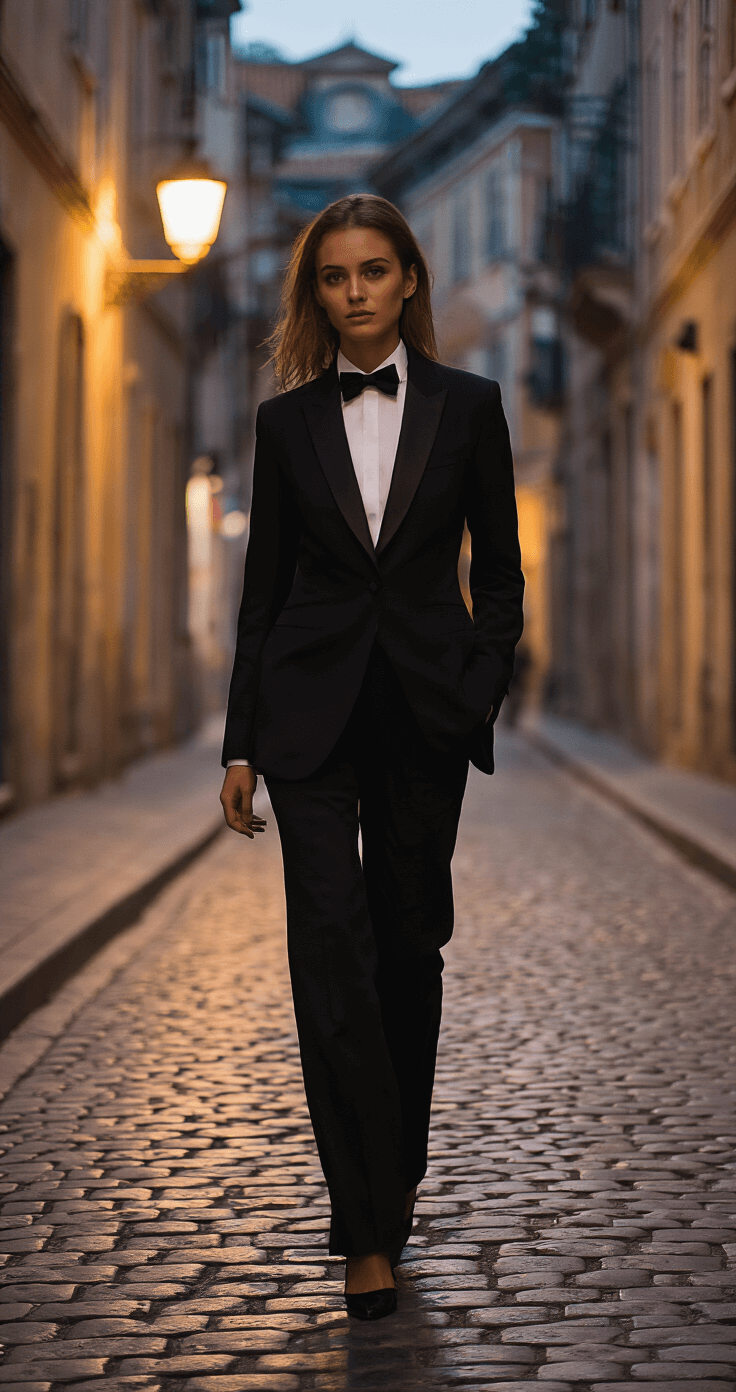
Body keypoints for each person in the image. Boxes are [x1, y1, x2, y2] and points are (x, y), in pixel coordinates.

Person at [220, 194, 524, 1320]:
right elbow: (263, 592)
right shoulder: (284, 422)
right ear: (319, 291)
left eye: (372, 272)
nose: (352, 292)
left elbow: (499, 574)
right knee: (329, 949)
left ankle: (390, 1186)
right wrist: (240, 742)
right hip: (306, 721)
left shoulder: (470, 405)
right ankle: (362, 1230)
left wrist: (476, 688)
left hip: (422, 718)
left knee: (409, 947)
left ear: (408, 281)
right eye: (334, 276)